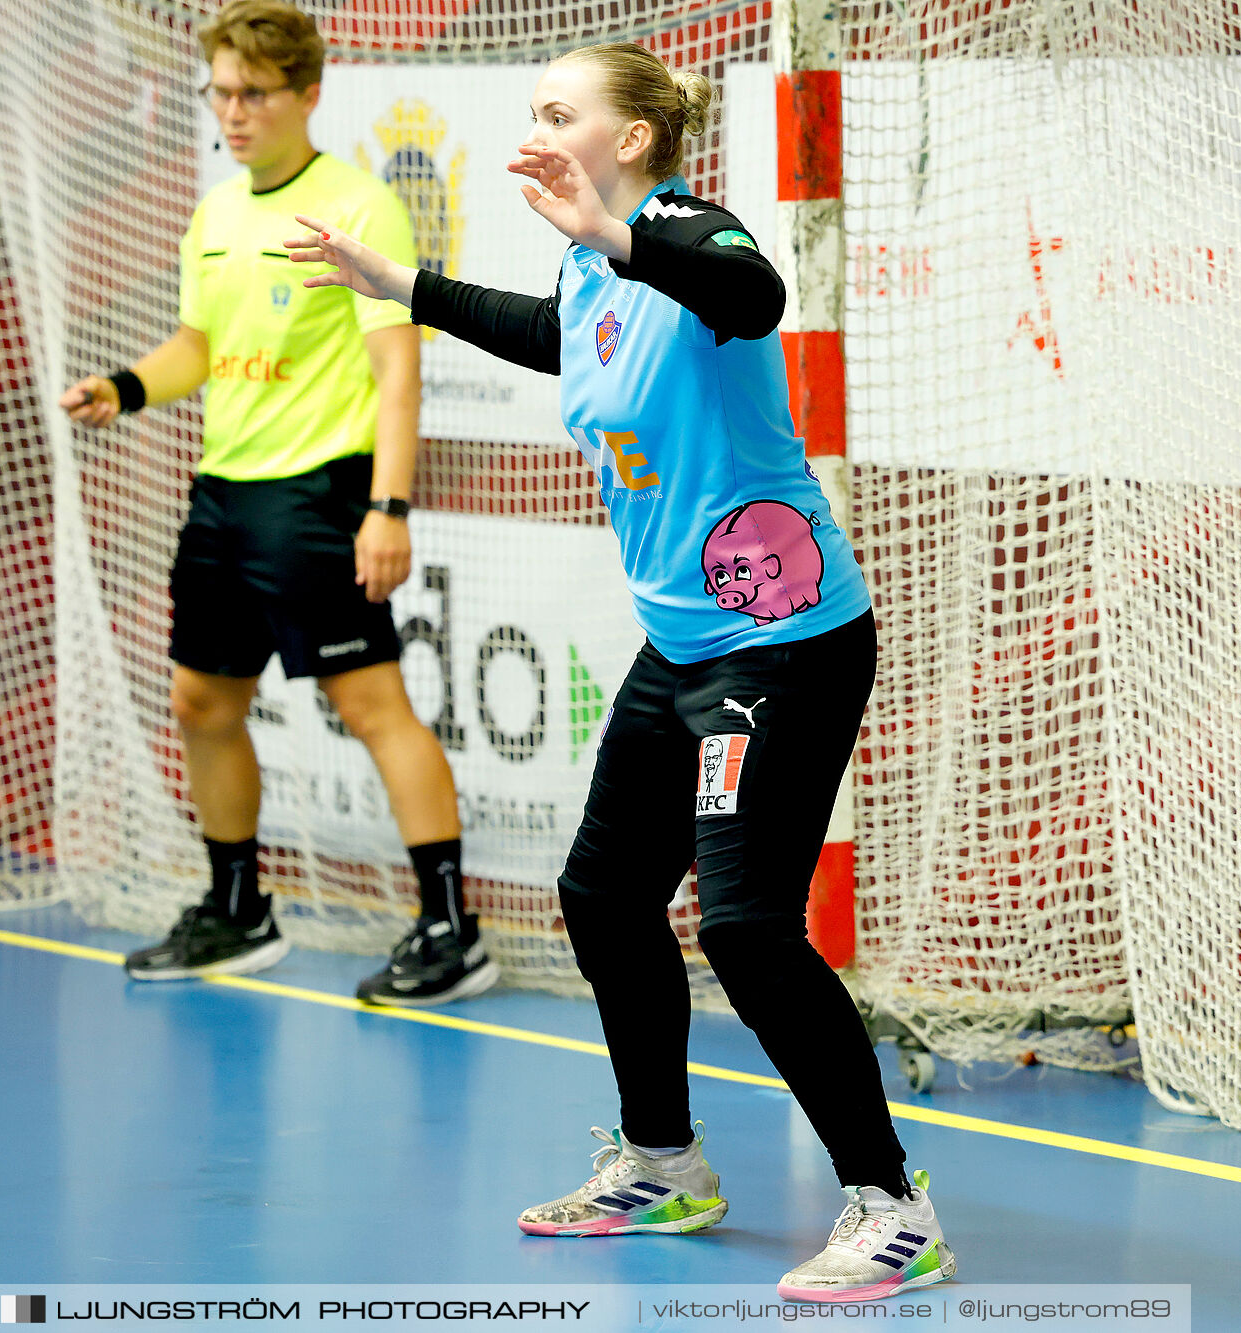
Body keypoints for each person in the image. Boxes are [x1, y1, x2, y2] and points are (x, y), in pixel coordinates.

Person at [286, 40, 956, 1302]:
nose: (536, 128)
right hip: (686, 644)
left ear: (631, 140)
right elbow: (557, 335)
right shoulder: (589, 259)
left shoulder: (686, 229)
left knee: (751, 926)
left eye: (559, 111)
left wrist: (615, 231)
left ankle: (888, 1205)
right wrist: (400, 281)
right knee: (601, 896)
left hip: (787, 643)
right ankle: (662, 1164)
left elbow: (750, 297)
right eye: (531, 111)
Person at [58, 0, 496, 1006]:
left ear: (307, 92)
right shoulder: (215, 213)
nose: (233, 112)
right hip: (222, 495)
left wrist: (387, 507)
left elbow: (396, 375)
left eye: (252, 93)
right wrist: (123, 388)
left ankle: (448, 927)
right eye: (219, 93)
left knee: (369, 700)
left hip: (318, 494)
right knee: (200, 700)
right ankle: (237, 908)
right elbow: (196, 349)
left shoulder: (358, 211)